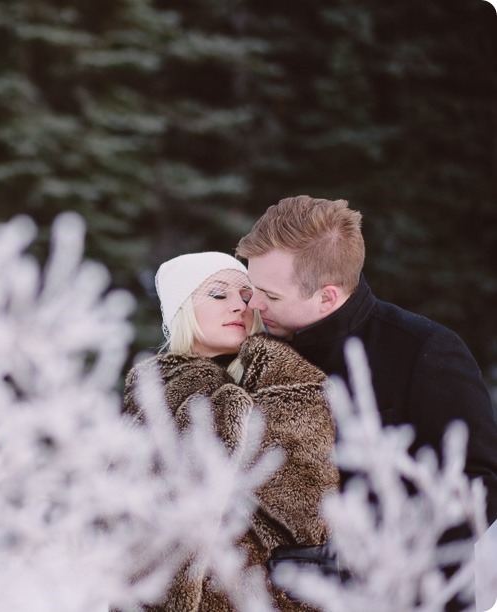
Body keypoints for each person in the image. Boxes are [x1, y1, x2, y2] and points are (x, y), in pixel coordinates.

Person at [236, 195, 497, 526]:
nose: (254, 303)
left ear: (327, 296)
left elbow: (480, 485)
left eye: (271, 295)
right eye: (251, 287)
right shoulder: (250, 348)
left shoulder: (423, 351)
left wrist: (358, 558)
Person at [123, 252, 338, 611]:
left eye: (246, 295)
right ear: (181, 311)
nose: (240, 305)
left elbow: (311, 512)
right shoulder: (153, 399)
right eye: (218, 295)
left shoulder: (284, 385)